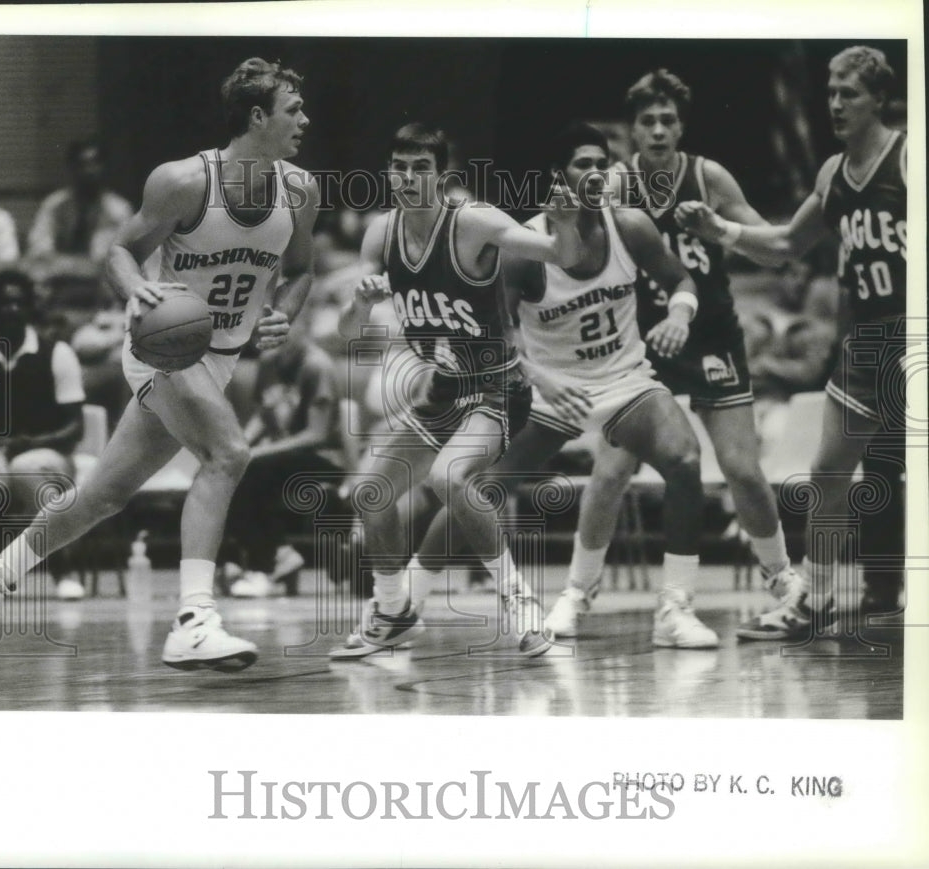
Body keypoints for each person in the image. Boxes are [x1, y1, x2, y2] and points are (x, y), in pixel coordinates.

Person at [0, 57, 318, 671]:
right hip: (161, 348)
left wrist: (285, 310)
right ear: (257, 117)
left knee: (102, 496)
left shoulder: (302, 190)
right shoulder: (182, 182)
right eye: (293, 110)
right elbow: (121, 250)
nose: (304, 119)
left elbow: (301, 270)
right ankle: (193, 619)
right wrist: (136, 291)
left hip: (220, 359)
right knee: (228, 453)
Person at [397, 121, 719, 649]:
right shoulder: (525, 248)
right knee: (479, 490)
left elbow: (681, 279)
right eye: (582, 164)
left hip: (623, 379)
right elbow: (494, 334)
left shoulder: (630, 226)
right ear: (558, 176)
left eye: (600, 163)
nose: (594, 174)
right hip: (545, 386)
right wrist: (539, 378)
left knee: (684, 461)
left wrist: (680, 315)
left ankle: (675, 608)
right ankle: (406, 602)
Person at [545, 69, 804, 637]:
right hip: (641, 342)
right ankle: (575, 593)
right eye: (648, 121)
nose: (659, 130)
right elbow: (570, 254)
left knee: (741, 468)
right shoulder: (610, 185)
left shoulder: (707, 176)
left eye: (668, 120)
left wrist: (720, 231)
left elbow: (774, 253)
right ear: (632, 131)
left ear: (681, 126)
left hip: (708, 332)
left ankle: (785, 583)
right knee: (612, 467)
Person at [675, 46, 906, 637]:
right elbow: (782, 247)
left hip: (915, 339)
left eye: (848, 93)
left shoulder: (907, 158)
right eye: (829, 93)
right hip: (867, 345)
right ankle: (818, 598)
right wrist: (719, 229)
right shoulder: (832, 173)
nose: (835, 104)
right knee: (827, 477)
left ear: (879, 99)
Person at [331, 122, 584, 658]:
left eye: (421, 168)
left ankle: (518, 602)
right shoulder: (380, 233)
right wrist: (359, 301)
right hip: (443, 388)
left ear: (443, 176)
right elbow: (347, 335)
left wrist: (564, 222)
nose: (407, 178)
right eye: (399, 167)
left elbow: (562, 256)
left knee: (450, 477)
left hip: (498, 386)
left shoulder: (473, 222)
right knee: (369, 494)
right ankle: (392, 610)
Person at [0, 269, 87, 599]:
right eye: (3, 303)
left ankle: (61, 569)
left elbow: (75, 427)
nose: (11, 309)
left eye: (18, 303)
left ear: (29, 308)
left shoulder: (58, 353)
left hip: (47, 452)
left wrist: (31, 443)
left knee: (25, 468)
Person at [221, 314, 346, 598]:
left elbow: (317, 434)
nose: (278, 331)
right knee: (228, 468)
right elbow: (264, 417)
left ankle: (263, 566)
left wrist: (260, 451)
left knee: (254, 468)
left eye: (288, 323)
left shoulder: (317, 366)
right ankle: (276, 554)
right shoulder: (268, 363)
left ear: (305, 325)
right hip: (279, 459)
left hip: (323, 459)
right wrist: (238, 446)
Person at [24, 138, 134, 297]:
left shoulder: (119, 211)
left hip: (101, 290)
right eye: (82, 165)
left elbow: (111, 263)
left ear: (105, 168)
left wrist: (64, 264)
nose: (89, 171)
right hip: (57, 287)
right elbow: (38, 250)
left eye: (95, 164)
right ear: (72, 169)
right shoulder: (54, 206)